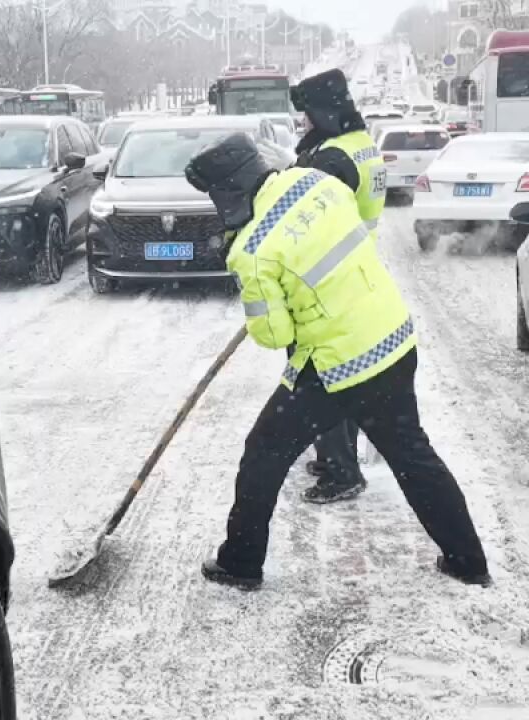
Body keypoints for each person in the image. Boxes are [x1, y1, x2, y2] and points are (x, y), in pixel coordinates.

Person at [184, 133, 490, 591]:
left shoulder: (252, 250)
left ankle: (241, 562)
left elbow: (274, 335)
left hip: (337, 367)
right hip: (392, 339)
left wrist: (255, 288)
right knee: (412, 454)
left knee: (264, 453)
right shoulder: (315, 182)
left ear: (226, 193)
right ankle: (468, 561)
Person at [288, 68, 387, 505]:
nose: (302, 124)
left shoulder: (332, 160)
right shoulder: (360, 145)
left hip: (325, 283)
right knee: (339, 375)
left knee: (320, 379)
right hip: (353, 274)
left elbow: (308, 224)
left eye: (306, 115)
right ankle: (336, 458)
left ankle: (341, 471)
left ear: (322, 113)